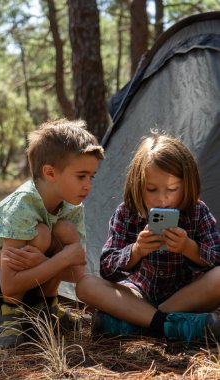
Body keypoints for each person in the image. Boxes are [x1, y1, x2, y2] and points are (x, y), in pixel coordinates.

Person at [0, 119, 104, 350]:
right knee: (40, 234)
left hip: (28, 284)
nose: (88, 185)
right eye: (81, 176)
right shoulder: (22, 205)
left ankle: (46, 307)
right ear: (50, 173)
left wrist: (47, 262)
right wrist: (60, 259)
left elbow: (76, 274)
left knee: (62, 230)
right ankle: (8, 315)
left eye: (92, 177)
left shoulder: (72, 208)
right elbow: (9, 285)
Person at [76, 132, 220, 345]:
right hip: (138, 294)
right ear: (138, 185)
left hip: (186, 297)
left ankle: (139, 323)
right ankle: (169, 325)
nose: (162, 199)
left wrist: (189, 247)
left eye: (172, 189)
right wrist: (136, 251)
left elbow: (216, 258)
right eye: (152, 189)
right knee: (85, 285)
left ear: (186, 184)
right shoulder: (127, 213)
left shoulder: (197, 212)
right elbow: (107, 268)